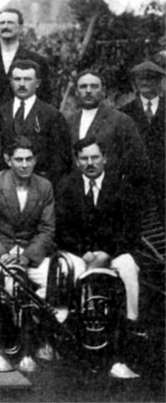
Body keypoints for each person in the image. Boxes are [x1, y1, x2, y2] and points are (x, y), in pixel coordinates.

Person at [55, 137, 142, 379]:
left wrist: (106, 253)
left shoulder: (121, 185)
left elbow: (130, 231)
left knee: (127, 267)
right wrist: (84, 252)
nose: (90, 163)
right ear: (76, 161)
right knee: (68, 268)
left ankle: (127, 331)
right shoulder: (66, 186)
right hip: (80, 253)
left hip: (112, 252)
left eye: (95, 157)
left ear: (105, 158)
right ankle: (72, 339)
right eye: (84, 158)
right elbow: (61, 230)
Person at [0, 136, 55, 297]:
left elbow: (47, 229)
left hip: (31, 253)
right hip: (1, 253)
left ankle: (33, 319)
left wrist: (27, 256)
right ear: (8, 160)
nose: (25, 165)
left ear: (35, 160)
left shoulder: (44, 186)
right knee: (10, 289)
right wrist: (2, 254)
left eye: (29, 159)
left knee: (56, 282)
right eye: (19, 160)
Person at [65, 70, 149, 187]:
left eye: (94, 86)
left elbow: (137, 163)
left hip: (111, 194)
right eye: (83, 87)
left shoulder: (120, 120)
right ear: (76, 92)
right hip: (76, 194)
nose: (88, 91)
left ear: (103, 91)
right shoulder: (68, 122)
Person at [0, 60, 71, 186]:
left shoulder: (52, 115)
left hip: (40, 187)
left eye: (27, 79)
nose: (22, 84)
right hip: (5, 187)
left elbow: (61, 160)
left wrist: (45, 187)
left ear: (37, 83)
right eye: (17, 79)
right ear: (10, 81)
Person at [120, 60, 165, 224]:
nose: (144, 83)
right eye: (140, 79)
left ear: (158, 81)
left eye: (150, 78)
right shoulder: (124, 113)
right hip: (137, 182)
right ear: (135, 82)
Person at [0, 8, 52, 107]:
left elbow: (45, 95)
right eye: (2, 23)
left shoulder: (37, 60)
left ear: (20, 27)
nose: (6, 26)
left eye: (10, 23)